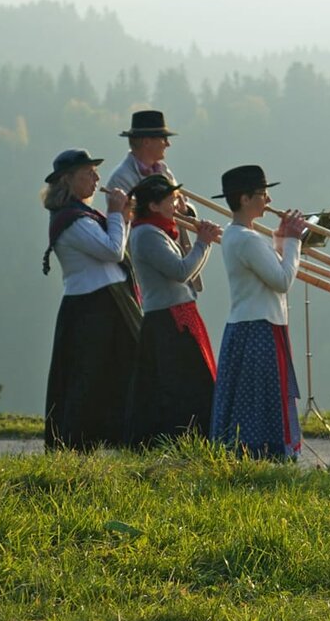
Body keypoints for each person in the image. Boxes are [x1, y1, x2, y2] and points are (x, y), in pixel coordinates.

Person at [41, 148, 139, 450]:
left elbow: (116, 244)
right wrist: (116, 212)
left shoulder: (83, 215)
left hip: (108, 303)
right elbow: (113, 250)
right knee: (88, 378)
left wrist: (123, 217)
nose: (97, 179)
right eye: (89, 173)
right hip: (90, 308)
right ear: (68, 180)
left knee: (118, 371)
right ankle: (75, 444)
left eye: (96, 173)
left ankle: (120, 438)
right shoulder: (72, 221)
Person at [209, 165, 309, 460]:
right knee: (262, 396)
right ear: (244, 199)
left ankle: (251, 454)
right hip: (259, 327)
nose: (268, 200)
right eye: (263, 194)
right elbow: (282, 280)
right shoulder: (247, 239)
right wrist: (294, 241)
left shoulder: (236, 234)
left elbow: (269, 270)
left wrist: (280, 242)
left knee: (250, 396)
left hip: (248, 324)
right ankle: (263, 454)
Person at [126, 174, 223, 446]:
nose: (176, 205)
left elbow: (187, 272)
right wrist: (203, 242)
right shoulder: (146, 234)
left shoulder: (158, 231)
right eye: (170, 200)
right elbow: (180, 272)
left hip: (178, 314)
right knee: (180, 385)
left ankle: (198, 439)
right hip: (167, 320)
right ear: (154, 206)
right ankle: (182, 440)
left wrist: (203, 243)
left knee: (196, 381)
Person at [106, 110, 201, 294]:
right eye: (163, 138)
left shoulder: (163, 169)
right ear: (147, 142)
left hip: (175, 256)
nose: (168, 144)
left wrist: (185, 210)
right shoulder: (121, 179)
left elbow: (178, 204)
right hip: (149, 268)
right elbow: (129, 222)